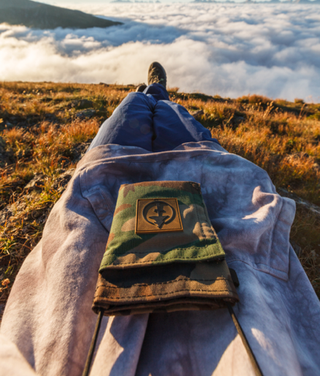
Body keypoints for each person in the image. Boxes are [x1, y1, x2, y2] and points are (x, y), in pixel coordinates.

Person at [1, 63, 320, 376]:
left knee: (132, 105)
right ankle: (158, 91)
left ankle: (146, 91)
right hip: (211, 174)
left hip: (108, 173)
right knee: (169, 110)